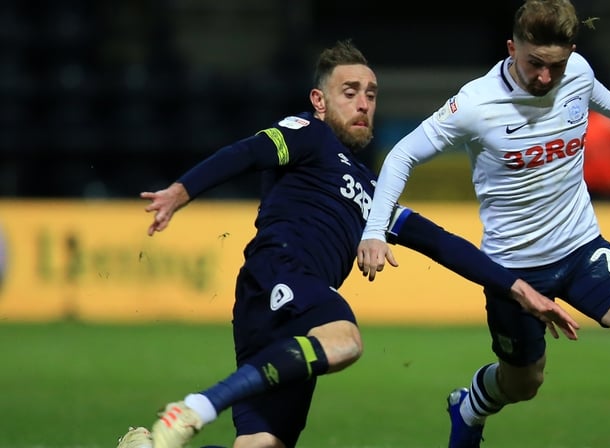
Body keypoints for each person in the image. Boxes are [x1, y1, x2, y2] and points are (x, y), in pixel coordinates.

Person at [115, 39, 580, 448]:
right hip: (281, 272)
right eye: (350, 92)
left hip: (282, 310)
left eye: (371, 94)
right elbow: (248, 152)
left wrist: (518, 288)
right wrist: (182, 191)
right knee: (345, 340)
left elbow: (440, 243)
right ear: (319, 101)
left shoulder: (373, 191)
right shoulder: (309, 135)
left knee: (261, 444)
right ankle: (195, 408)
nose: (363, 104)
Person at [357, 1, 610, 447]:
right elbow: (402, 156)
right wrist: (375, 230)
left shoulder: (576, 71)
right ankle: (469, 406)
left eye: (556, 66)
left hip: (581, 248)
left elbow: (590, 88)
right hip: (512, 270)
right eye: (535, 64)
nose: (546, 77)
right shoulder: (476, 103)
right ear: (512, 49)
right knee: (524, 383)